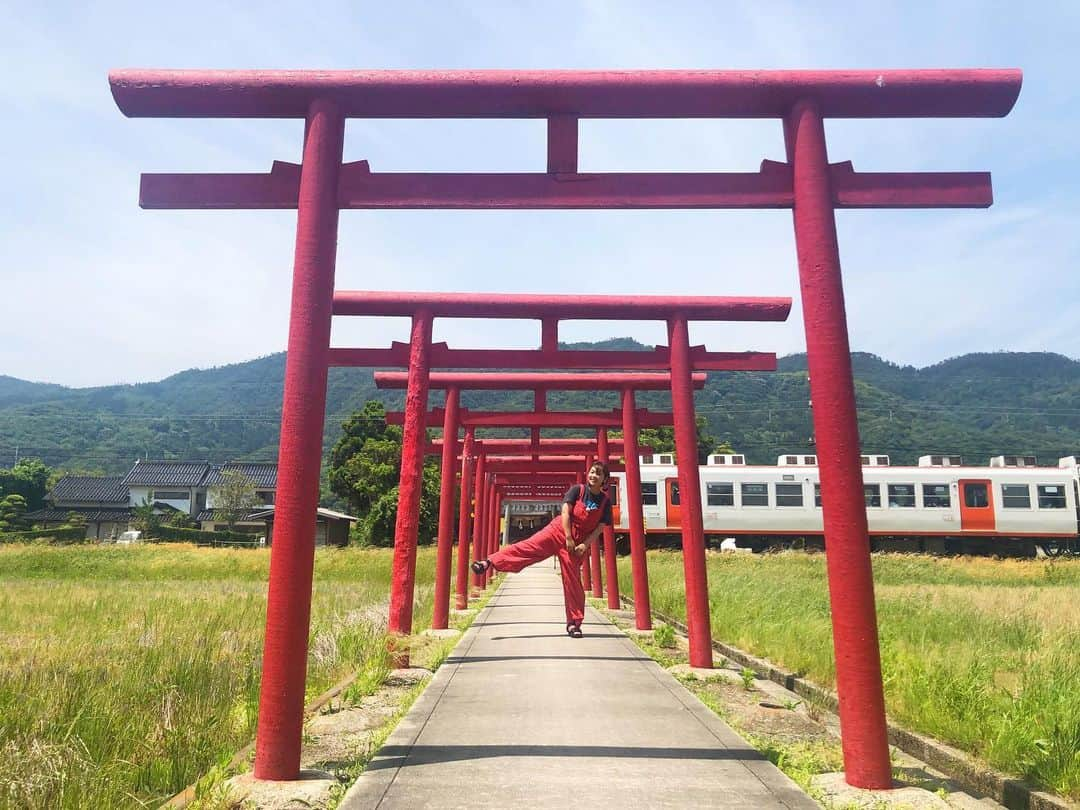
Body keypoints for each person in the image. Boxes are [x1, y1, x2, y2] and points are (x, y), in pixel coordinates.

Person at [471, 461, 612, 638]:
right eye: (592, 472)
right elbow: (566, 512)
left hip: (578, 543)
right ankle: (490, 561)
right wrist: (568, 536)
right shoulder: (578, 490)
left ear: (604, 479)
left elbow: (600, 527)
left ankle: (574, 624)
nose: (593, 476)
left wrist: (584, 544)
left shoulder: (605, 501)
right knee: (528, 547)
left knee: (573, 582)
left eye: (598, 474)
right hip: (558, 531)